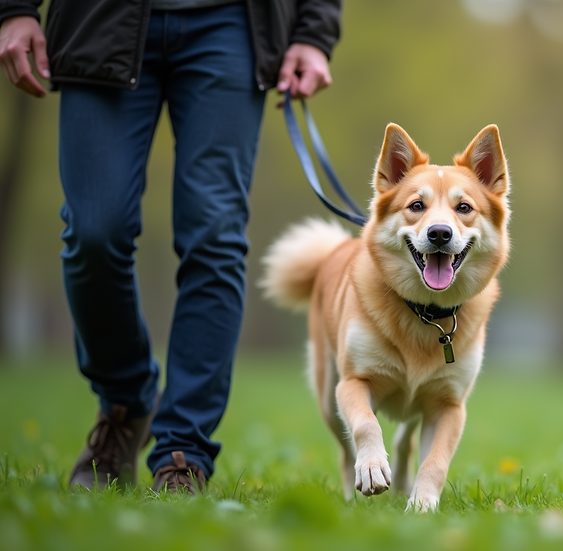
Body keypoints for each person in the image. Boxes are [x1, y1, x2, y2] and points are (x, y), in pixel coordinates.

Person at [0, 0, 340, 493]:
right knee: (94, 232)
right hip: (99, 18)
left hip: (232, 24)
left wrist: (314, 30)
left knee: (215, 238)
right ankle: (125, 400)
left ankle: (184, 450)